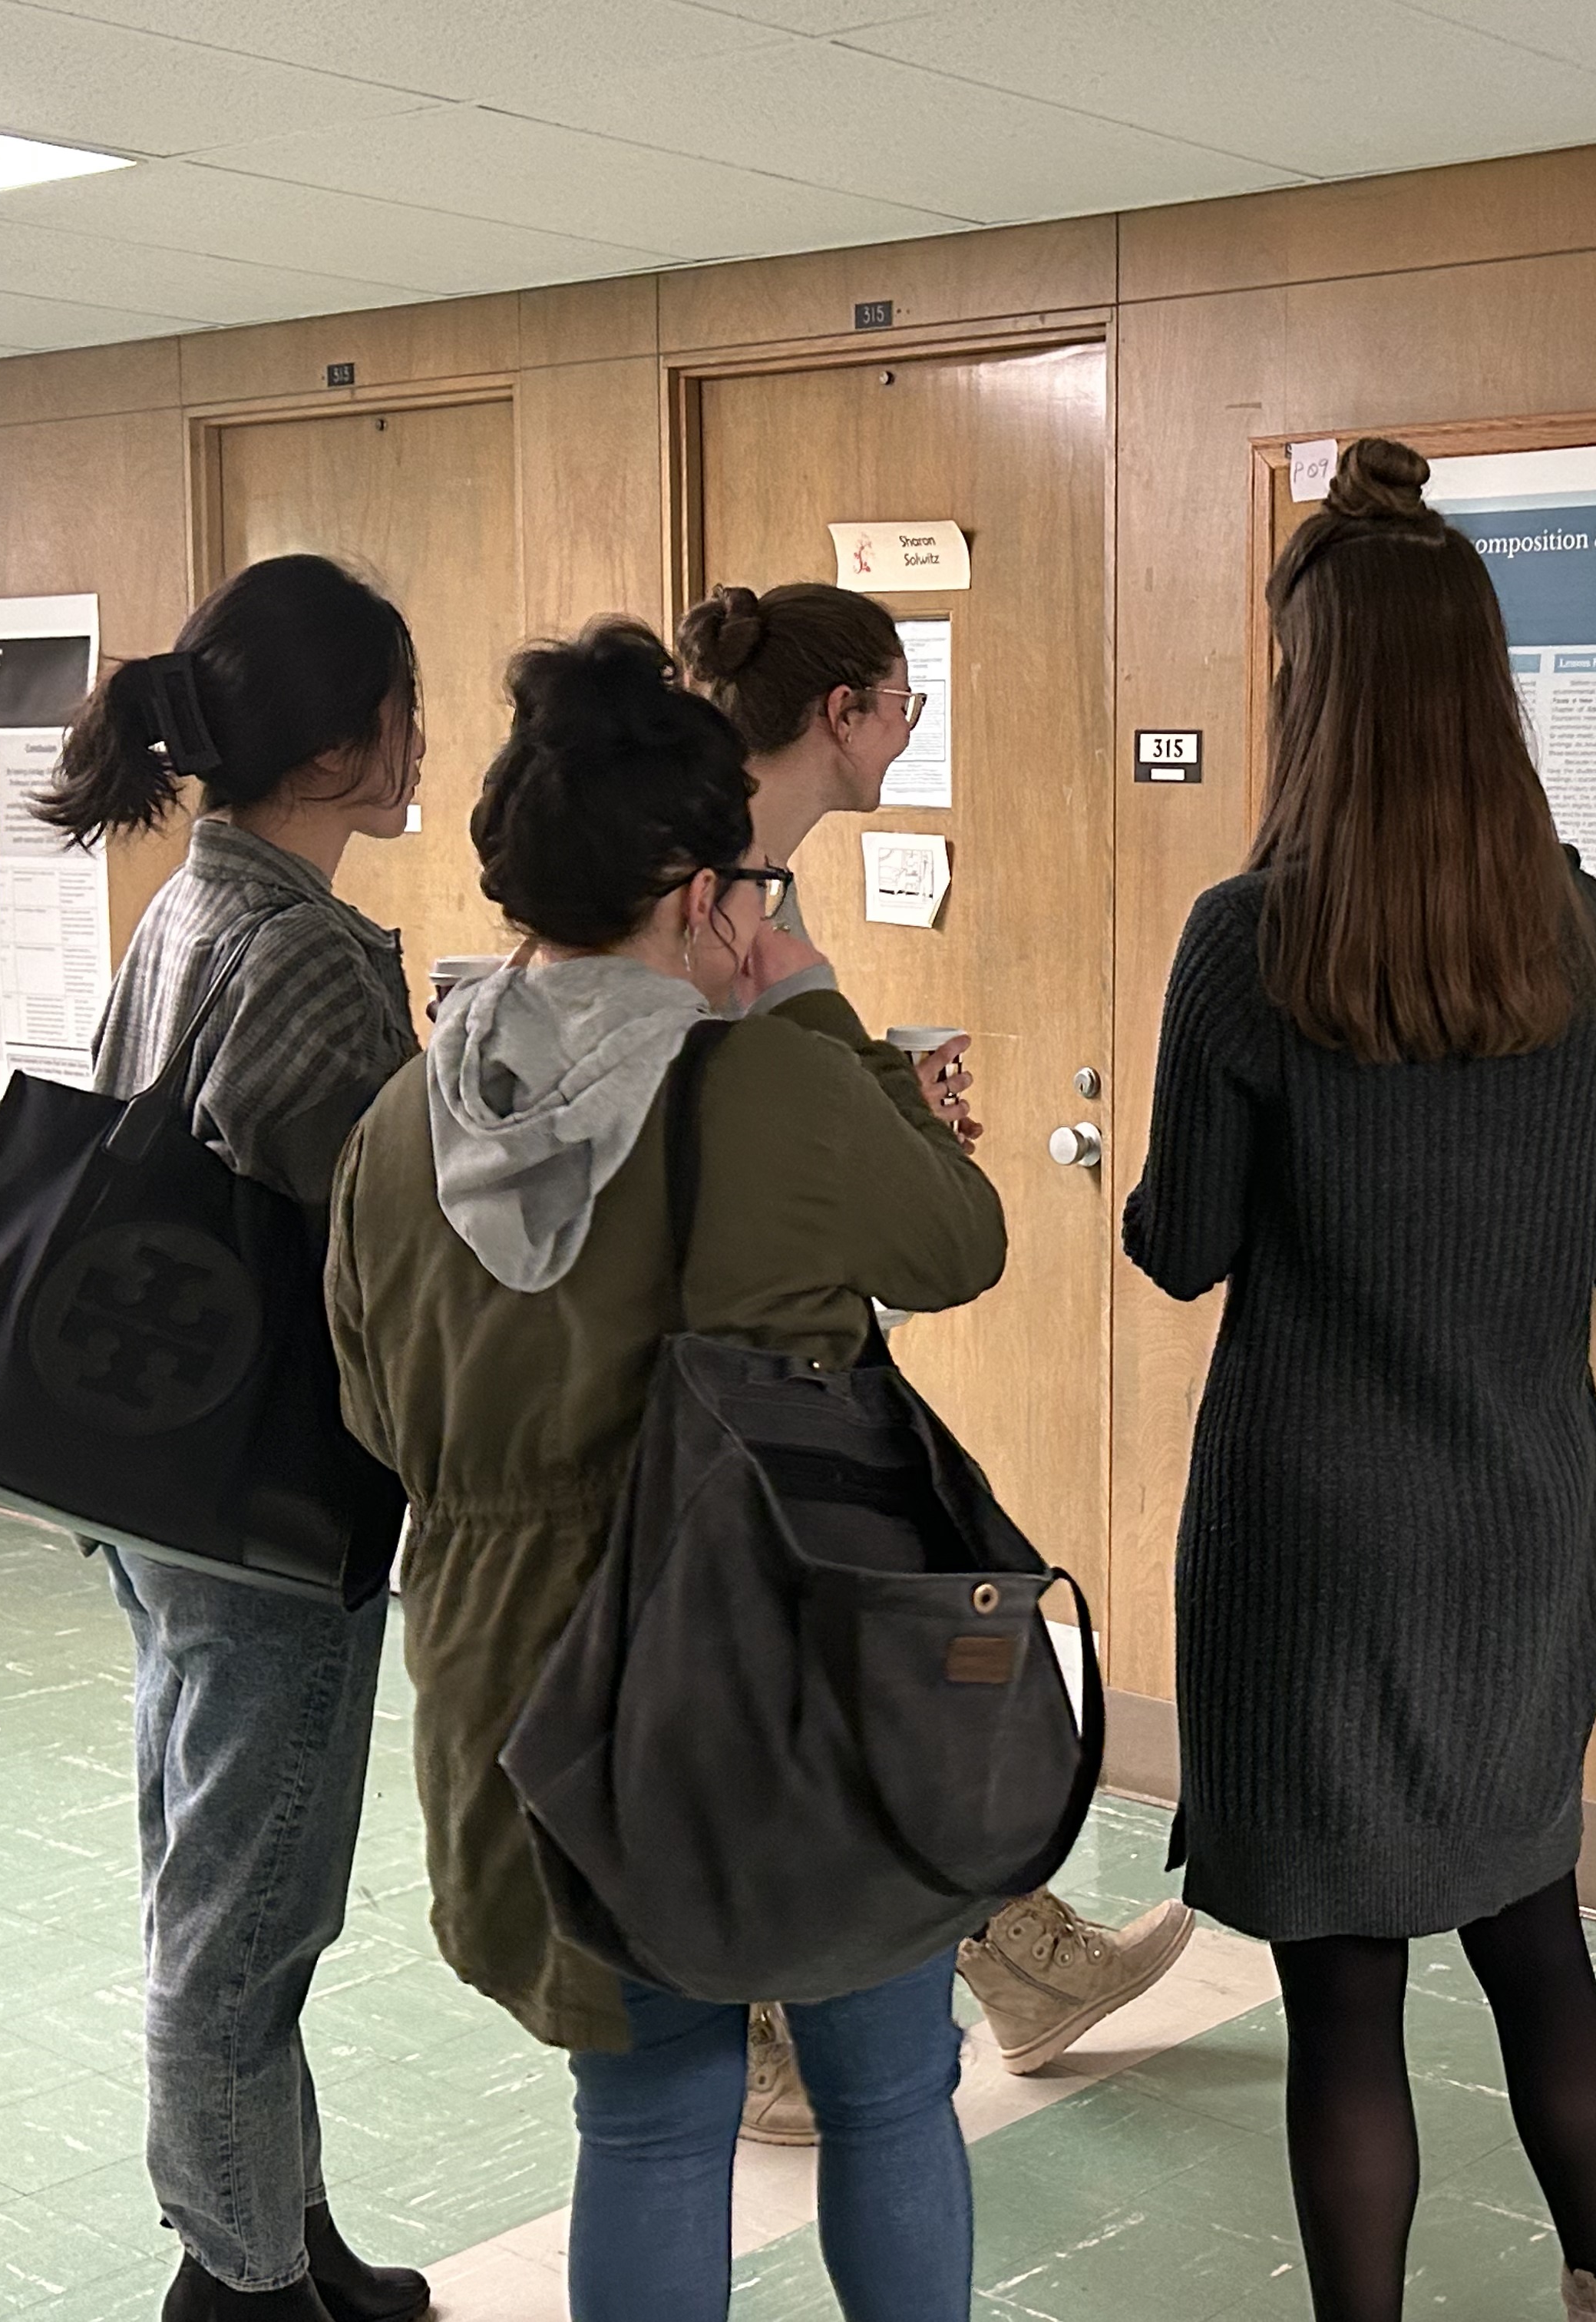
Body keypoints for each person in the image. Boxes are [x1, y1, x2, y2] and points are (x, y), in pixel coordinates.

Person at [322, 619, 1004, 2322]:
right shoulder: (764, 1082)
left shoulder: (399, 1126)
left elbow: (370, 1413)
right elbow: (959, 1241)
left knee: (645, 2118)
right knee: (887, 2092)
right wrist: (824, 1011)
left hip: (515, 1697)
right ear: (711, 897)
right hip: (784, 1677)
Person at [1122, 439, 1596, 2322]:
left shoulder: (1250, 946)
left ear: (1316, 699)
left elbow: (1181, 1244)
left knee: (1344, 1996)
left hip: (1316, 1542)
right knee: (1536, 1927)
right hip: (1528, 1518)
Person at [675, 580, 1195, 2144]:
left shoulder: (764, 872)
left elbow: (796, 1076)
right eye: (906, 701)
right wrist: (886, 1131)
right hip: (732, 1385)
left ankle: (1018, 1960)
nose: (912, 727)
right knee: (814, 1697)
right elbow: (773, 1101)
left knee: (894, 1663)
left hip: (792, 1356)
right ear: (844, 713)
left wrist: (883, 1117)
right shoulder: (716, 881)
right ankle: (776, 2032)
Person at [40, 554, 435, 2322]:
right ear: (347, 750)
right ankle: (237, 2284)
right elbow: (374, 1239)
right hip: (268, 1506)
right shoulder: (303, 956)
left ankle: (283, 2233)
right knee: (247, 1918)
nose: (425, 742)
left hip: (162, 1486)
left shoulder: (201, 899)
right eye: (406, 711)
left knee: (227, 1880)